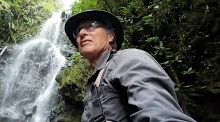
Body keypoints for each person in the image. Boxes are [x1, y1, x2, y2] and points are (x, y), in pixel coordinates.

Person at [64, 10, 196, 122]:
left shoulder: (129, 59)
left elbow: (159, 114)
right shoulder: (92, 86)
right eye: (78, 32)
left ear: (110, 36)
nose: (81, 33)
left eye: (90, 26)